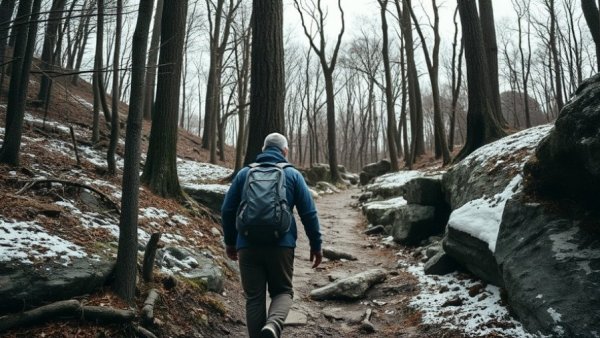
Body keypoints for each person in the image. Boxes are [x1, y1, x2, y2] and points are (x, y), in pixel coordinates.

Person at [221, 132, 323, 338]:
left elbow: (227, 210)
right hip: (281, 244)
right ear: (285, 151)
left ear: (263, 150)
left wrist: (231, 242)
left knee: (254, 298)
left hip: (247, 244)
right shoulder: (293, 175)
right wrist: (316, 244)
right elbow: (309, 213)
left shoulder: (244, 174)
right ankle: (273, 325)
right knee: (283, 292)